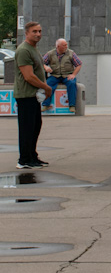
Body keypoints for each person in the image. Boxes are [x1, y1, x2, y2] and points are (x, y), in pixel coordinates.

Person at [13, 22, 51, 168]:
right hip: (25, 95)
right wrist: (46, 87)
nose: (38, 34)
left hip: (34, 95)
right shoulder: (23, 50)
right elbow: (28, 76)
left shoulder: (33, 49)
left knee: (35, 126)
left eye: (40, 31)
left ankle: (32, 156)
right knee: (27, 128)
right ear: (27, 33)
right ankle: (24, 160)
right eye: (34, 31)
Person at [40, 38, 81, 112]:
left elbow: (79, 64)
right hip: (55, 75)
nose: (66, 46)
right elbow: (41, 63)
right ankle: (45, 104)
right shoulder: (50, 54)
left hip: (67, 75)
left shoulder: (71, 53)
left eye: (66, 45)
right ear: (58, 46)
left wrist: (73, 74)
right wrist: (46, 67)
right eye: (64, 45)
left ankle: (72, 105)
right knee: (48, 84)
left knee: (72, 84)